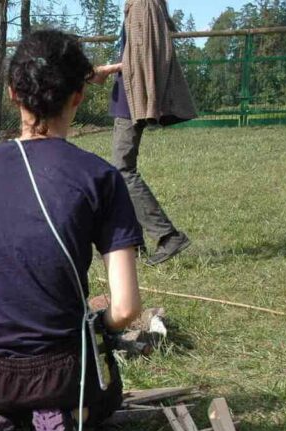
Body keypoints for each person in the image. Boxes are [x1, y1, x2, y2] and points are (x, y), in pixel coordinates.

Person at [0, 30, 143, 431]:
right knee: (103, 383)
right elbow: (125, 309)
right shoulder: (100, 177)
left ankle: (2, 414)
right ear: (79, 96)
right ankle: (53, 421)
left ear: (12, 93)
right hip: (60, 374)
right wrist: (97, 327)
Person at [92, 0, 197, 266]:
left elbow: (142, 57)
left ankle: (167, 235)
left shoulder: (142, 4)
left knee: (122, 171)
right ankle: (133, 244)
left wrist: (108, 69)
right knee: (121, 171)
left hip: (133, 96)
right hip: (129, 94)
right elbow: (137, 52)